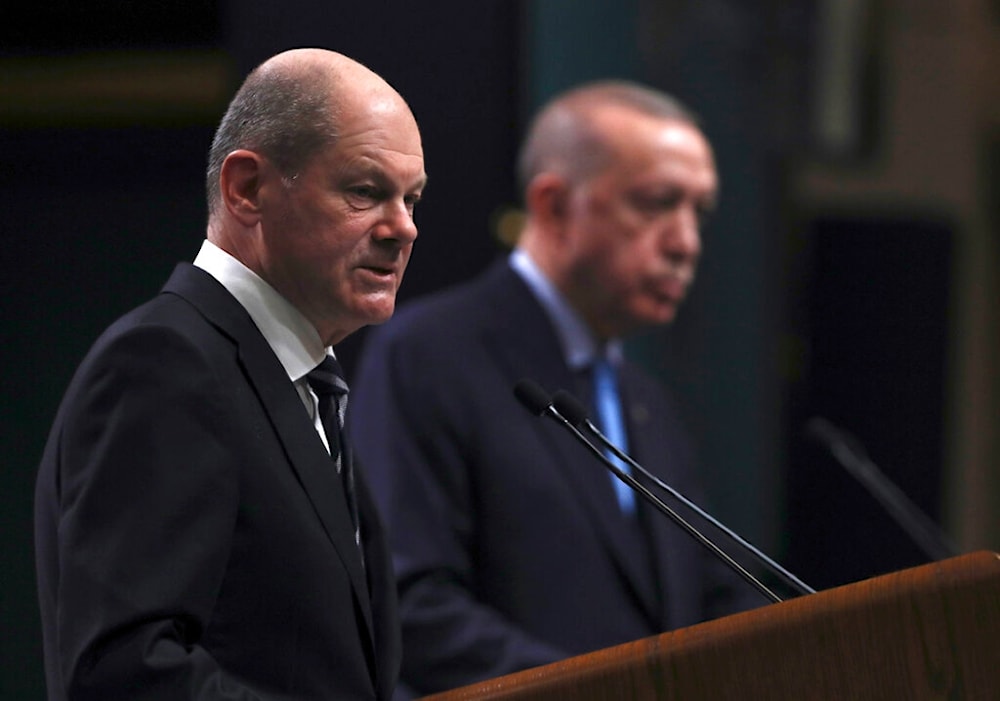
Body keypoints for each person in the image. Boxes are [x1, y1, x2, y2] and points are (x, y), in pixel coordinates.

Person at [348, 80, 768, 697]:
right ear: (552, 206)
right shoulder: (430, 354)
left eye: (697, 212)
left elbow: (707, 592)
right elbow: (408, 603)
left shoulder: (642, 401)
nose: (686, 243)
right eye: (657, 203)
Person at [34, 48, 427, 700]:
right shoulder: (165, 365)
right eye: (365, 191)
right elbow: (122, 669)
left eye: (411, 199)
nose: (403, 227)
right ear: (246, 189)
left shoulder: (302, 386)